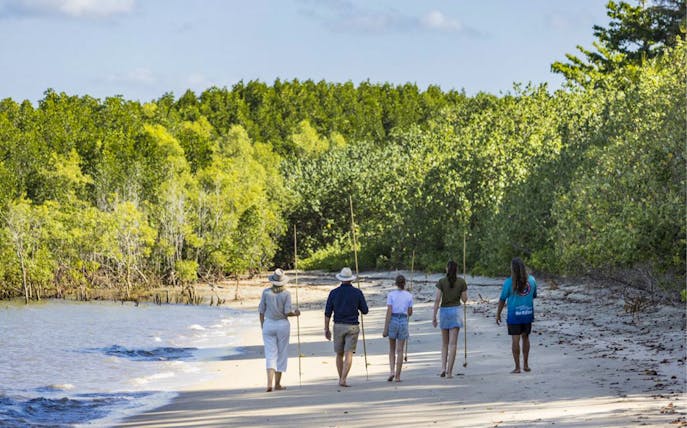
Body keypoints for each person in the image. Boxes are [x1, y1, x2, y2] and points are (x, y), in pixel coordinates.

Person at [324, 267, 369, 387]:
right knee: (349, 353)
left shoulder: (333, 293)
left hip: (338, 325)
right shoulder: (357, 292)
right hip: (352, 326)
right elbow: (365, 310)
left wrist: (326, 328)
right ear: (351, 280)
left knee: (339, 354)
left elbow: (328, 312)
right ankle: (343, 378)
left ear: (341, 279)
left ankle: (341, 378)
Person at [258, 268, 300, 392]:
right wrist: (296, 313)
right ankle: (277, 384)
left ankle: (269, 384)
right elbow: (287, 312)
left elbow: (261, 311)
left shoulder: (266, 292)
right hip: (282, 324)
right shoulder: (286, 294)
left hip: (268, 324)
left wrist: (262, 325)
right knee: (282, 353)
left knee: (270, 354)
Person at [496, 257, 537, 374]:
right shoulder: (532, 281)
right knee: (526, 338)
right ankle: (526, 365)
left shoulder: (509, 282)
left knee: (515, 340)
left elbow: (502, 299)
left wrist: (498, 314)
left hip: (514, 315)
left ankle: (517, 367)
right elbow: (533, 295)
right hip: (527, 313)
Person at [432, 260, 467, 379]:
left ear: (447, 269)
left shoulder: (441, 281)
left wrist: (434, 316)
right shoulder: (461, 282)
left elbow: (437, 299)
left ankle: (443, 367)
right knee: (453, 344)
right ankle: (449, 372)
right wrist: (463, 290)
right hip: (455, 311)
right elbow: (465, 299)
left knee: (444, 344)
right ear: (456, 270)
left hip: (444, 312)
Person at [382, 274, 413, 382]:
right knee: (400, 350)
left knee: (392, 349)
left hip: (393, 320)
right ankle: (398, 376)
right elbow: (410, 313)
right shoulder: (409, 295)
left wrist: (385, 328)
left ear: (396, 283)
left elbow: (389, 311)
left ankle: (391, 371)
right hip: (403, 320)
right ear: (404, 283)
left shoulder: (391, 295)